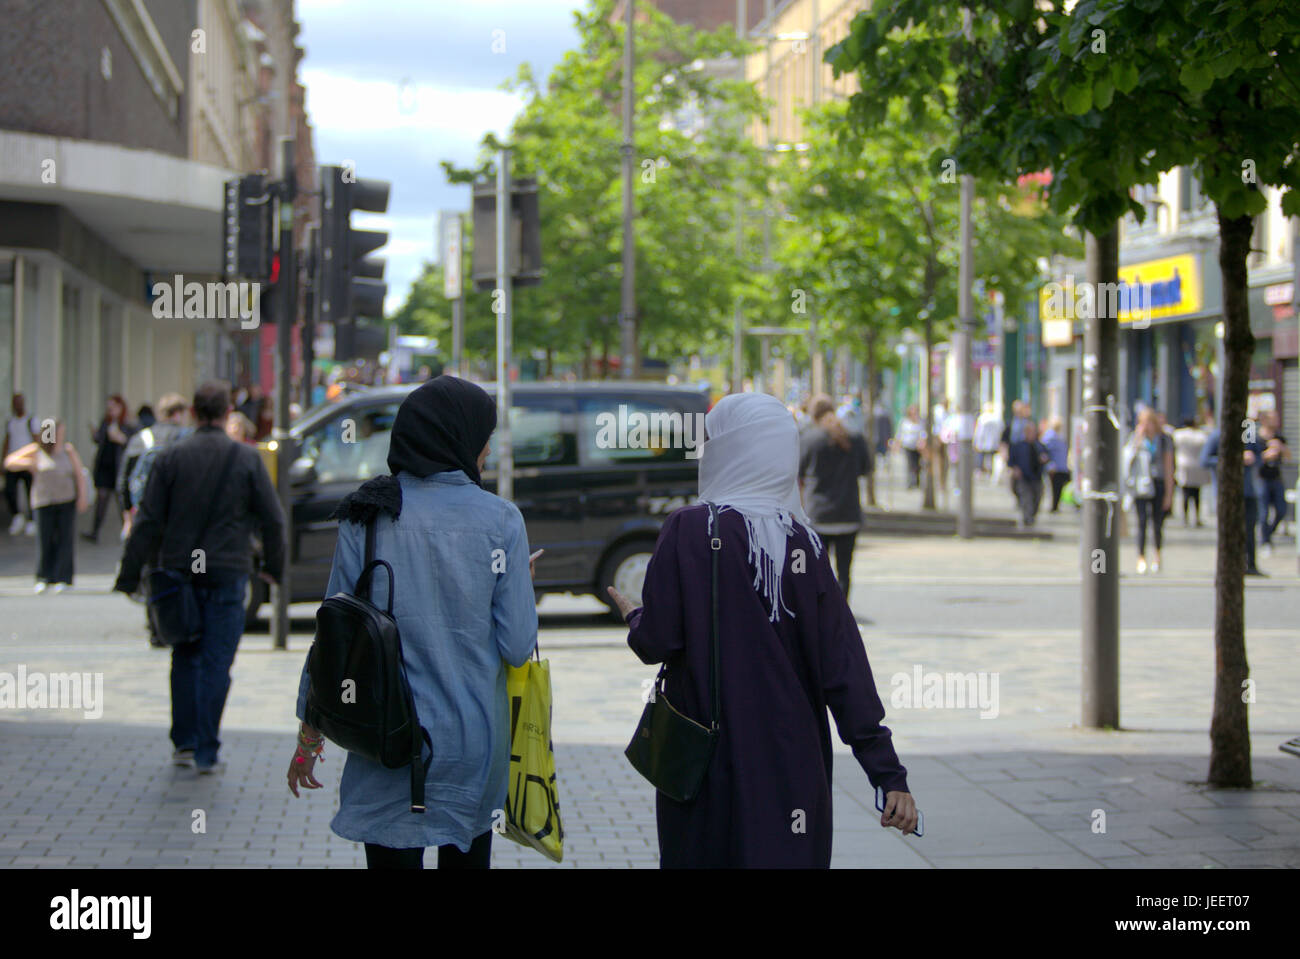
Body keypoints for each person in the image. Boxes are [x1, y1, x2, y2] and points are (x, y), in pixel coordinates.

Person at [606, 392, 916, 868]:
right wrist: (888, 775)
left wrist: (635, 616)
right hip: (793, 763)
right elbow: (843, 668)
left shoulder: (687, 530)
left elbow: (658, 643)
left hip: (708, 762)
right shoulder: (806, 545)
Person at [287, 376, 539, 869]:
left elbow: (333, 636)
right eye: (484, 434)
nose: (488, 447)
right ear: (463, 438)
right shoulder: (501, 521)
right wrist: (518, 585)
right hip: (472, 741)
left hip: (386, 737)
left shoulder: (369, 513)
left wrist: (309, 735)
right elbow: (516, 645)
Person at [113, 382, 286, 772]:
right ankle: (207, 748)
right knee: (217, 662)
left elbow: (148, 521)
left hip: (181, 572)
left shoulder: (170, 458)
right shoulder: (246, 459)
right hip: (227, 570)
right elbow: (274, 520)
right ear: (227, 414)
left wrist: (128, 575)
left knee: (185, 655)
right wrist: (273, 568)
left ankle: (184, 743)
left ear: (193, 412)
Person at [4, 420, 89, 592]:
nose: (60, 436)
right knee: (45, 539)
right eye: (57, 432)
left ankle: (63, 578)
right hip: (43, 501)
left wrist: (82, 497)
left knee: (65, 539)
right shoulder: (37, 450)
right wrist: (28, 464)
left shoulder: (67, 450)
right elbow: (9, 461)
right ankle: (44, 577)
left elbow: (79, 474)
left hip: (66, 499)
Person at [799, 394, 869, 598]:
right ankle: (842, 616)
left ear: (813, 416)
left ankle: (822, 615)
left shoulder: (810, 440)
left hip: (819, 515)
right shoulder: (855, 438)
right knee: (845, 572)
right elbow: (865, 468)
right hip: (848, 514)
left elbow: (798, 473)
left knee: (819, 571)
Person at [1201, 421, 1266, 575]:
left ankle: (1251, 564)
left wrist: (1254, 458)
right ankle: (1229, 566)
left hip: (1249, 491)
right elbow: (1204, 460)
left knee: (1250, 530)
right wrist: (1233, 459)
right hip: (1227, 494)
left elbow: (1259, 457)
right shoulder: (1217, 436)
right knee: (1229, 530)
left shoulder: (1248, 436)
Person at [1124, 408, 1175, 574]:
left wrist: (1169, 493)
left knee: (1157, 523)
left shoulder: (1164, 439)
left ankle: (1157, 555)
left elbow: (1168, 467)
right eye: (1143, 422)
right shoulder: (1136, 438)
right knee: (1141, 522)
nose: (1147, 426)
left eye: (1149, 422)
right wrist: (1138, 439)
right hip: (1141, 484)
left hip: (1158, 483)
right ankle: (1141, 557)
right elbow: (1128, 459)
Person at [85, 394, 134, 543]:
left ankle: (129, 531)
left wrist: (120, 437)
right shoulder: (105, 422)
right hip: (104, 466)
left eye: (113, 407)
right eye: (109, 408)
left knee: (121, 503)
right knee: (102, 499)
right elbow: (99, 440)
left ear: (121, 408)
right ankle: (95, 532)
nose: (110, 410)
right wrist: (94, 433)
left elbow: (131, 443)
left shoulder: (127, 424)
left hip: (119, 468)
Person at [4, 393, 39, 535]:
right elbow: (6, 441)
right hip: (13, 463)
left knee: (30, 491)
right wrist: (4, 461)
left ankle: (32, 520)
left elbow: (37, 441)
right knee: (9, 490)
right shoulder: (11, 422)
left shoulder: (32, 420)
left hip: (28, 463)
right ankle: (17, 516)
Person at [1257, 411, 1290, 557]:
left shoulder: (1279, 436)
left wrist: (1281, 448)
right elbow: (1250, 457)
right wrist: (1266, 454)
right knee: (1263, 514)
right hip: (1262, 479)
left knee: (1281, 510)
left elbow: (1289, 457)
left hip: (1277, 479)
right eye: (1273, 418)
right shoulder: (1256, 437)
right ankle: (1265, 542)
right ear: (1264, 420)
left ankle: (1268, 535)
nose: (1276, 421)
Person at [1007, 419, 1048, 528]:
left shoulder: (1039, 446)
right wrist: (1015, 469)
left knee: (1037, 498)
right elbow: (1011, 461)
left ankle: (1032, 515)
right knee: (1026, 498)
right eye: (1029, 432)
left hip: (1037, 477)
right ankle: (1027, 518)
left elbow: (1046, 457)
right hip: (1024, 477)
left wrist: (1044, 459)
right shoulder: (1018, 446)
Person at [1173, 416, 1211, 527]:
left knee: (1185, 493)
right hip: (1197, 466)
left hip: (1184, 465)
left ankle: (1185, 517)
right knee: (1197, 494)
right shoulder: (1201, 435)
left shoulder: (1179, 435)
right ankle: (1197, 517)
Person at [1040, 417, 1071, 513]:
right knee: (1055, 488)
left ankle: (1055, 506)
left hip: (1061, 467)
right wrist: (1049, 465)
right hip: (1055, 467)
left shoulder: (1058, 436)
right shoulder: (1050, 437)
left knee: (1059, 487)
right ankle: (1054, 506)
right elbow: (1045, 451)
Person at [894, 405, 925, 489]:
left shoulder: (920, 422)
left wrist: (921, 441)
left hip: (917, 447)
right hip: (907, 445)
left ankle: (917, 480)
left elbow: (923, 433)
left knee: (917, 464)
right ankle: (910, 482)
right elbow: (900, 434)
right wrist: (897, 444)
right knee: (909, 464)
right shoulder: (904, 422)